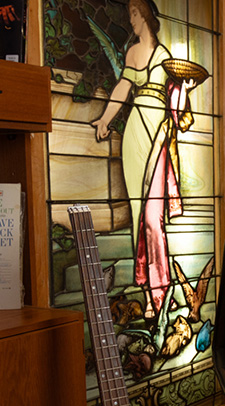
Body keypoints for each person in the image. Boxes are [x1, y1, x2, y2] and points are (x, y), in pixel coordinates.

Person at [91, 0, 197, 321]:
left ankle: (160, 291)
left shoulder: (165, 56)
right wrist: (105, 119)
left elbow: (176, 108)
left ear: (147, 16)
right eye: (130, 15)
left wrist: (185, 89)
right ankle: (152, 292)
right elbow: (122, 89)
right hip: (135, 133)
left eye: (135, 15)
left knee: (153, 218)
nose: (132, 20)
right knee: (140, 212)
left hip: (158, 136)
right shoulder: (133, 53)